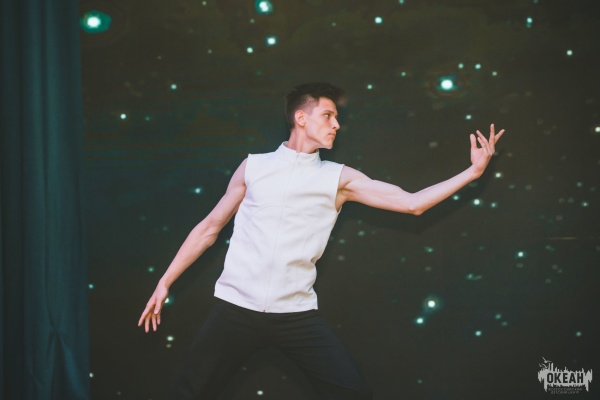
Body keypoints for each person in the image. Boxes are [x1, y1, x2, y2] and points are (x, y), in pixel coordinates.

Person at [138, 82, 505, 399]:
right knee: (188, 392)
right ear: (301, 118)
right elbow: (209, 228)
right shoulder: (254, 167)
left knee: (353, 393)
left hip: (295, 316)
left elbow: (412, 204)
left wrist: (472, 173)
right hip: (235, 310)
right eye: (328, 116)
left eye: (336, 118)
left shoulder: (339, 178)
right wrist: (165, 281)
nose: (336, 125)